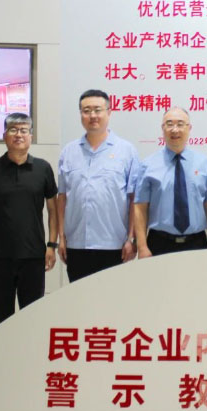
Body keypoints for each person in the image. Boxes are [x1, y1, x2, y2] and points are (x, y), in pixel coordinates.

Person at [0, 113, 58, 327]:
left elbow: (53, 209)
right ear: (4, 136)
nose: (18, 135)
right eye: (13, 130)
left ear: (31, 136)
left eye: (23, 130)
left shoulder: (43, 168)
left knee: (32, 315)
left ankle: (31, 349)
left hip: (34, 255)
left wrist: (52, 245)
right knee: (2, 316)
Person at [56, 89, 140, 283]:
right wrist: (61, 236)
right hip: (77, 245)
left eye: (97, 110)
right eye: (86, 111)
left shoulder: (126, 151)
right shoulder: (68, 152)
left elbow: (134, 199)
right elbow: (62, 197)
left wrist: (131, 239)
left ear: (109, 112)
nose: (92, 115)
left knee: (112, 300)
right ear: (80, 114)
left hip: (114, 245)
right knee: (79, 299)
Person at [134, 107, 207, 257]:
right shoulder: (147, 165)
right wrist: (142, 246)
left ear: (189, 128)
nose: (175, 130)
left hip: (196, 243)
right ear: (162, 128)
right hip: (159, 243)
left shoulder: (205, 164)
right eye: (169, 124)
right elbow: (140, 208)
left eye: (180, 124)